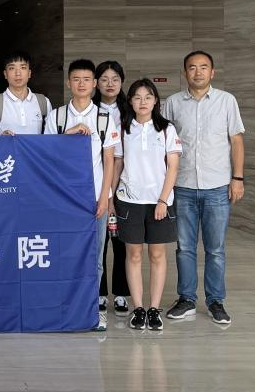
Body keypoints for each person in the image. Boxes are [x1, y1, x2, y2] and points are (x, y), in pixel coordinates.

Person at [160, 51, 246, 327]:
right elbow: (162, 142)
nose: (198, 72)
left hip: (217, 186)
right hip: (182, 186)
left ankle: (215, 301)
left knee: (215, 249)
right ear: (184, 72)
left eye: (203, 67)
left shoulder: (226, 101)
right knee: (184, 247)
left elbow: (236, 141)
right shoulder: (172, 103)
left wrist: (238, 178)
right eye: (192, 67)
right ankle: (186, 298)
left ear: (212, 72)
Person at [47, 59, 119, 332]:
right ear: (68, 83)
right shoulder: (56, 116)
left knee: (94, 258)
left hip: (94, 199)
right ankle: (64, 308)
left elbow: (109, 161)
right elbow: (48, 154)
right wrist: (69, 134)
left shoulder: (104, 118)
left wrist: (104, 198)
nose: (81, 84)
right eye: (76, 79)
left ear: (94, 84)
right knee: (64, 254)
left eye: (87, 79)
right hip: (64, 199)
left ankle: (90, 311)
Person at [109, 78, 182, 333]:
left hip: (159, 202)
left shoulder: (166, 129)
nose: (143, 102)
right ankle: (138, 308)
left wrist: (163, 200)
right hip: (129, 201)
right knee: (134, 255)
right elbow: (117, 164)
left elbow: (173, 167)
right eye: (137, 97)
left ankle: (154, 309)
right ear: (130, 101)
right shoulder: (122, 128)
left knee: (157, 255)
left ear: (155, 101)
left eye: (148, 97)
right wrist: (110, 197)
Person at [93, 60, 129, 315]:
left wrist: (114, 193)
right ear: (96, 83)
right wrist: (107, 193)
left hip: (128, 184)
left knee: (122, 242)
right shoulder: (90, 110)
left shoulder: (130, 111)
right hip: (100, 184)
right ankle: (100, 292)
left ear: (122, 82)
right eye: (104, 79)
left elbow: (120, 157)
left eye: (115, 79)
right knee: (99, 242)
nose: (110, 84)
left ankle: (122, 293)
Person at [0, 51, 52, 136]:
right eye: (12, 68)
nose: (18, 73)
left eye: (23, 67)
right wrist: (2, 138)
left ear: (29, 73)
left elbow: (50, 138)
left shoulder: (43, 102)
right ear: (5, 74)